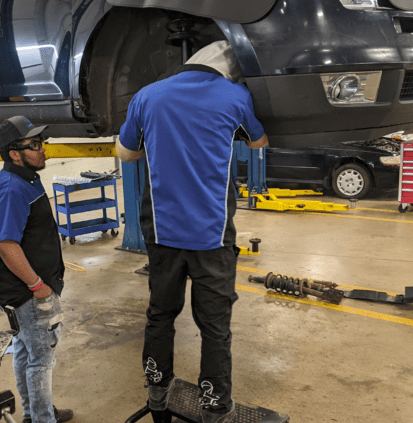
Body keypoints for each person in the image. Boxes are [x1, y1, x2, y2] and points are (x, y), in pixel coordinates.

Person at [116, 40, 268, 423]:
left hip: (163, 233)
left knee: (160, 316)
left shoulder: (147, 96)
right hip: (211, 237)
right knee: (215, 327)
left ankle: (157, 392)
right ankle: (215, 406)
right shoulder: (235, 96)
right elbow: (259, 143)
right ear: (229, 69)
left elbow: (126, 153)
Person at [0, 116, 73, 423]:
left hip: (22, 290)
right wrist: (39, 286)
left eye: (41, 143)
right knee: (41, 360)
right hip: (27, 292)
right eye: (34, 145)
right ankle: (42, 419)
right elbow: (6, 245)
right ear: (14, 153)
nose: (42, 150)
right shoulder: (12, 189)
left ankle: (33, 414)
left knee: (25, 352)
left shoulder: (24, 180)